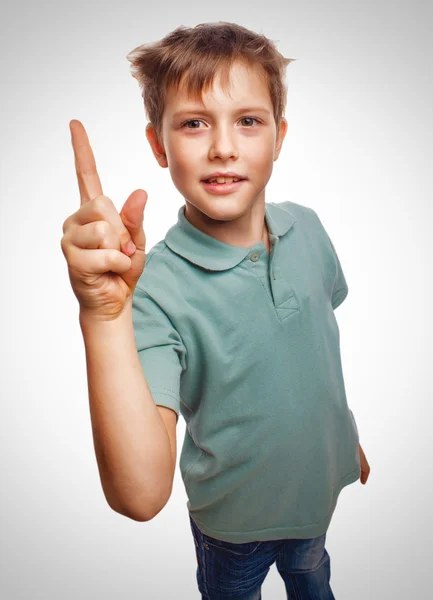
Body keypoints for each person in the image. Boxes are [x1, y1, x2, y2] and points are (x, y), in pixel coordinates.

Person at [61, 21, 370, 600]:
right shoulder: (153, 288)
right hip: (232, 528)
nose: (223, 146)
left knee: (312, 579)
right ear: (159, 144)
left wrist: (341, 438)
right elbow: (140, 493)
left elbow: (316, 352)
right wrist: (103, 318)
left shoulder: (309, 229)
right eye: (195, 123)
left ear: (278, 136)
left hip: (316, 499)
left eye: (248, 121)